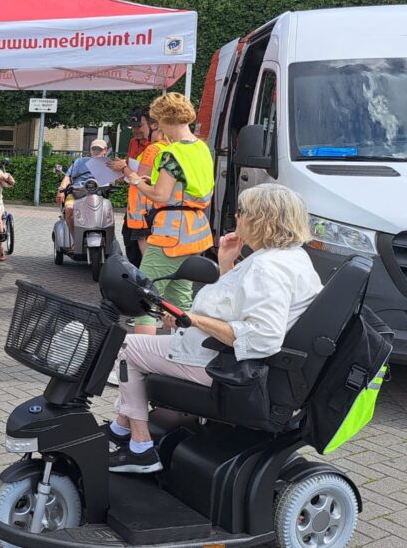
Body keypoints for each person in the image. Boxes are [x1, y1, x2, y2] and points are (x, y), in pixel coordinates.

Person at [105, 184, 322, 474]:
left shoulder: (267, 268)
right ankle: (122, 427)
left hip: (224, 366)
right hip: (227, 357)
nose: (236, 217)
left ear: (260, 219)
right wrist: (226, 263)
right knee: (141, 349)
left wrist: (193, 320)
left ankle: (141, 447)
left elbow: (263, 336)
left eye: (241, 212)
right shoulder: (292, 258)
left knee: (128, 349)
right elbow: (240, 304)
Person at [123, 91, 215, 336]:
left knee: (145, 295)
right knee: (180, 297)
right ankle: (180, 352)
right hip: (195, 231)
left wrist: (135, 181)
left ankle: (140, 362)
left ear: (165, 119)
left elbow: (161, 196)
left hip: (170, 232)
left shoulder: (171, 153)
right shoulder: (202, 148)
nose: (156, 125)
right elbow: (187, 187)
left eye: (157, 120)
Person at [109, 108, 161, 267]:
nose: (136, 130)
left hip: (148, 206)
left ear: (152, 125)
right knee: (130, 241)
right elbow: (131, 168)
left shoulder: (154, 147)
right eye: (133, 127)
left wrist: (124, 168)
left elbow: (141, 176)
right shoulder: (133, 143)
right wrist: (119, 173)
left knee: (143, 247)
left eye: (139, 126)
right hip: (134, 205)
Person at [56, 139, 110, 237]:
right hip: (76, 193)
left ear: (105, 150)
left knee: (107, 212)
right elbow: (68, 176)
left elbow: (112, 181)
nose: (96, 151)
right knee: (68, 208)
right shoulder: (79, 162)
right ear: (90, 150)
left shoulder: (108, 164)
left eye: (99, 149)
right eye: (94, 149)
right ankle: (75, 238)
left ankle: (108, 240)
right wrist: (61, 189)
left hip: (98, 195)